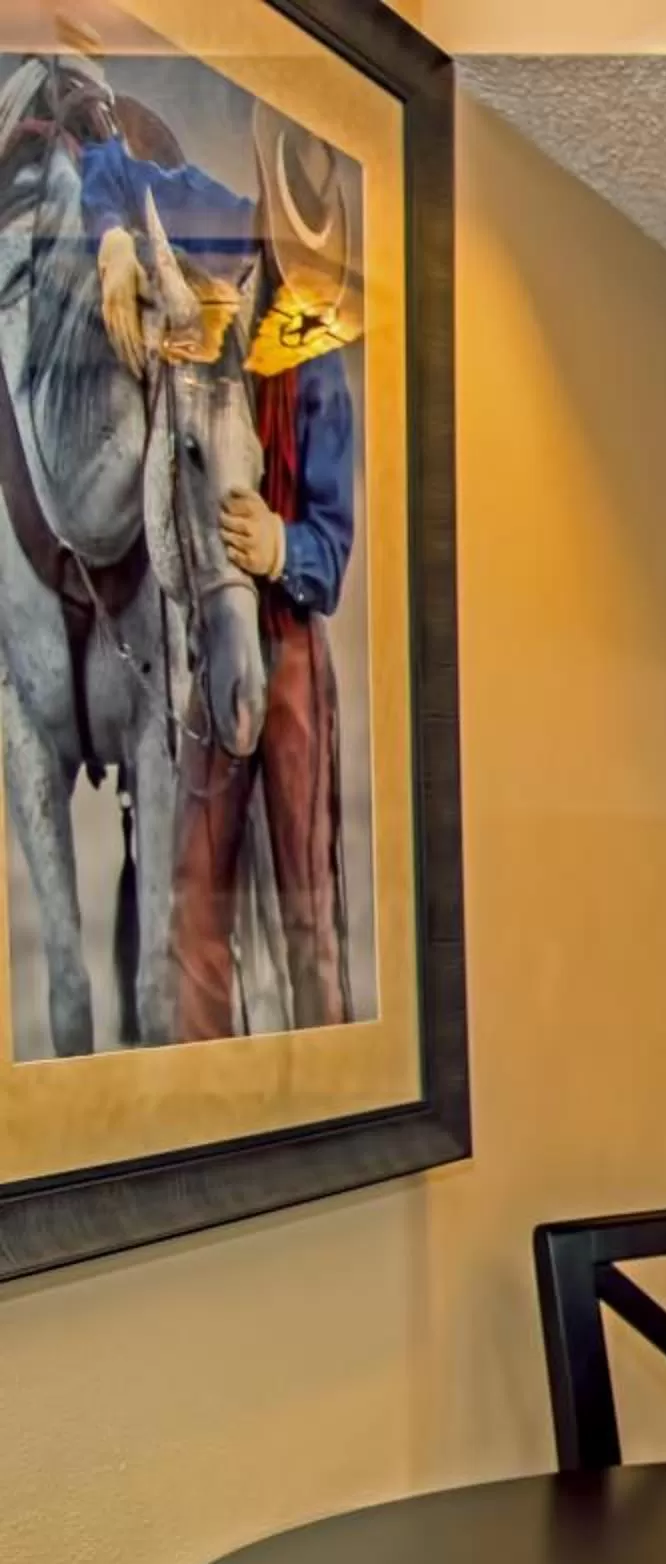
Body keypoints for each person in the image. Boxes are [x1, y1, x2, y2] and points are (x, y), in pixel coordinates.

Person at [81, 99, 359, 1037]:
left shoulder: (316, 366)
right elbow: (112, 174)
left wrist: (285, 548)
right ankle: (202, 1076)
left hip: (285, 640)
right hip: (208, 624)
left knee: (307, 901)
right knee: (195, 895)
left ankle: (324, 1061)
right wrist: (115, 240)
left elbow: (332, 538)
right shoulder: (211, 218)